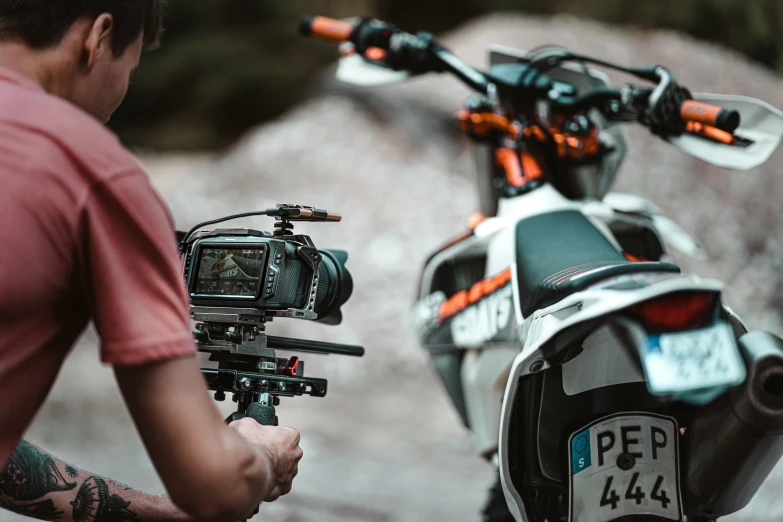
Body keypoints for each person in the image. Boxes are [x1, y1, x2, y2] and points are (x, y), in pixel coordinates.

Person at [0, 1, 303, 520]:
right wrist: (259, 455)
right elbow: (217, 486)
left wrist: (158, 513)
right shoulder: (93, 172)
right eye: (130, 71)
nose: (121, 97)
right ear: (97, 36)